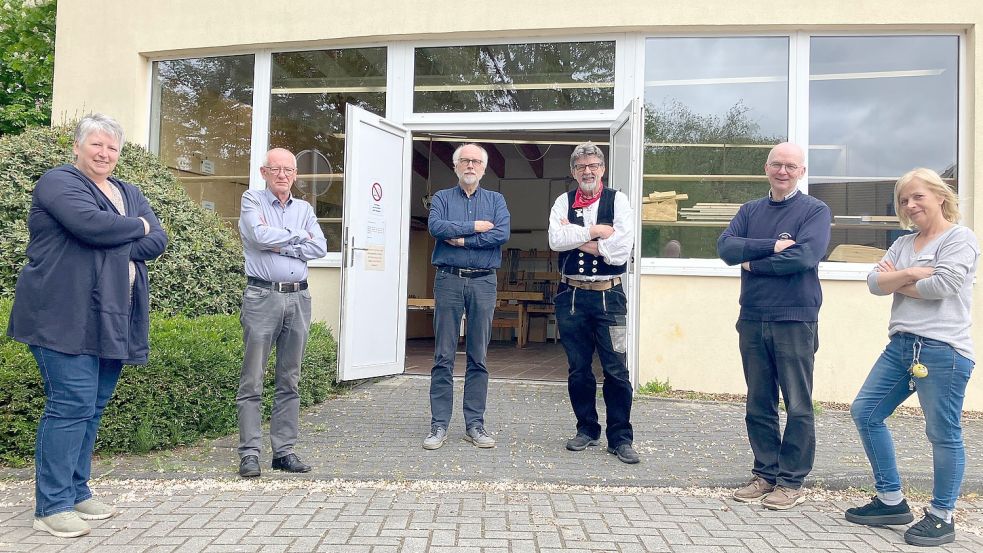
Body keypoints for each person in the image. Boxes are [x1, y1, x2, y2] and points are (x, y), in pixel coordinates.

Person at [7, 114, 168, 538]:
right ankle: (51, 505)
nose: (104, 153)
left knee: (92, 406)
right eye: (96, 145)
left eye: (112, 148)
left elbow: (159, 241)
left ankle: (77, 490)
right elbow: (90, 226)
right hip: (62, 315)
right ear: (77, 147)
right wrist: (136, 228)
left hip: (113, 317)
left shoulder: (127, 191)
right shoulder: (58, 182)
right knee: (71, 403)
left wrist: (127, 232)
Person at [845, 168, 978, 547]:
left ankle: (941, 516)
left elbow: (945, 285)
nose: (910, 204)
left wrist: (898, 281)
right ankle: (891, 501)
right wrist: (911, 272)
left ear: (939, 195)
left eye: (918, 196)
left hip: (943, 350)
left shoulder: (960, 238)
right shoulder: (904, 244)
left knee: (942, 433)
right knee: (866, 411)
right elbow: (874, 284)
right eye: (904, 200)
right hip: (901, 346)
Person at [717, 142, 831, 509]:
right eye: (777, 165)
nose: (783, 171)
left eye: (791, 166)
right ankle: (765, 474)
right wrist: (774, 245)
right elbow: (726, 249)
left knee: (797, 403)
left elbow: (806, 256)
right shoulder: (750, 210)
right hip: (752, 317)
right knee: (758, 401)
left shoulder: (814, 210)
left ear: (802, 171)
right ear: (766, 168)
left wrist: (754, 262)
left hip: (795, 319)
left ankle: (792, 481)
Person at [237, 148, 327, 477]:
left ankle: (284, 451)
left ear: (295, 175)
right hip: (263, 295)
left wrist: (280, 243)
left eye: (288, 170)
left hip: (298, 299)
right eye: (276, 169)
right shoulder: (252, 200)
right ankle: (249, 453)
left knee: (290, 379)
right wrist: (297, 239)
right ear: (264, 172)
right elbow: (257, 235)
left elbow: (320, 246)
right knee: (253, 378)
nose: (282, 175)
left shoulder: (304, 208)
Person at [548, 142, 638, 464]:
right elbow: (555, 240)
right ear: (573, 171)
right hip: (571, 296)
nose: (587, 171)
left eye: (593, 166)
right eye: (581, 167)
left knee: (616, 369)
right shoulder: (563, 201)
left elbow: (620, 249)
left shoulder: (619, 201)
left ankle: (621, 438)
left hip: (610, 296)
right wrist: (597, 233)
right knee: (578, 370)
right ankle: (587, 429)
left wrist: (580, 239)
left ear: (602, 169)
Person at [423, 143, 510, 450]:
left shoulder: (496, 200)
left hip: (484, 282)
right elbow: (436, 226)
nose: (470, 165)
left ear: (484, 169)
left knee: (478, 356)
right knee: (443, 356)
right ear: (456, 166)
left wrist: (460, 240)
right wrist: (473, 227)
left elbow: (501, 234)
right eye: (465, 161)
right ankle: (439, 425)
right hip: (448, 279)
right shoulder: (442, 199)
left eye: (476, 161)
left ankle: (475, 424)